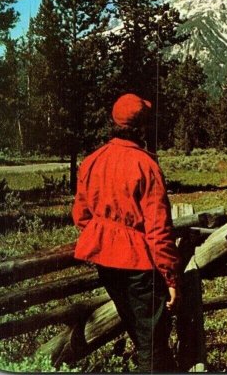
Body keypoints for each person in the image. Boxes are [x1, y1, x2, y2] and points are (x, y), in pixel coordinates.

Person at [72, 93, 181, 372]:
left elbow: (81, 216)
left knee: (140, 333)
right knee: (152, 342)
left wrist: (106, 239)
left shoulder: (93, 160)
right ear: (141, 127)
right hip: (139, 266)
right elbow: (158, 231)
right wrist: (170, 277)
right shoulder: (146, 165)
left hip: (106, 263)